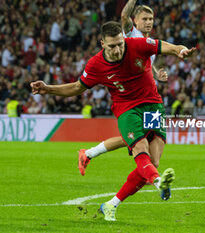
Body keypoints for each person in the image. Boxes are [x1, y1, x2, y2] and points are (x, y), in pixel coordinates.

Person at [31, 21, 195, 221]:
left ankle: (110, 205)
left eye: (120, 44)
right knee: (140, 149)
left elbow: (167, 47)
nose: (117, 50)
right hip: (127, 110)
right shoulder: (96, 65)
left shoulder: (138, 44)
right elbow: (76, 87)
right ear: (102, 43)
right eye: (112, 46)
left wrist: (181, 50)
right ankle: (159, 182)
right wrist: (48, 88)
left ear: (124, 40)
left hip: (153, 105)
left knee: (154, 161)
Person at [78, 1, 168, 176]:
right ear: (135, 20)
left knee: (131, 138)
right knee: (137, 141)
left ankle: (88, 154)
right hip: (133, 100)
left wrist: (156, 73)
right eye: (144, 19)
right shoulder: (131, 33)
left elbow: (146, 64)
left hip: (149, 98)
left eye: (151, 19)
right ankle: (149, 181)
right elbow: (124, 16)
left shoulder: (146, 41)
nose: (148, 22)